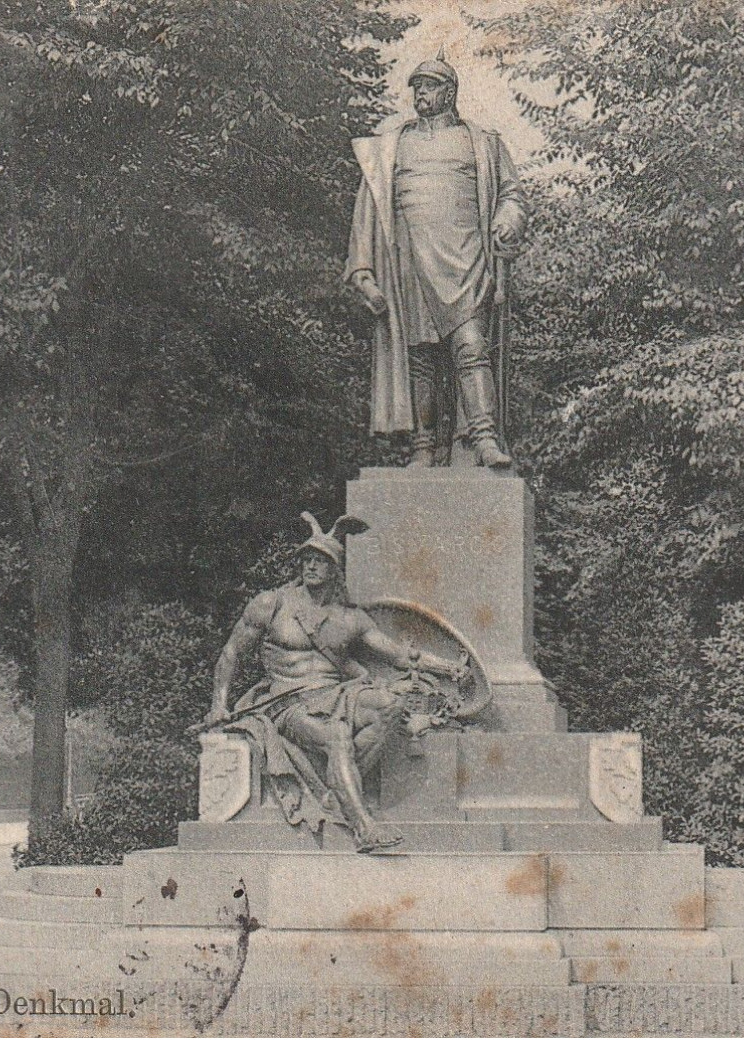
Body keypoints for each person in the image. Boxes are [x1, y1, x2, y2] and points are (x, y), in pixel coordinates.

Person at [204, 512, 464, 852]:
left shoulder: (349, 618)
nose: (311, 566)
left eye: (320, 561)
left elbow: (400, 656)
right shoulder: (273, 603)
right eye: (306, 559)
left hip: (336, 693)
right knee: (338, 734)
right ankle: (363, 826)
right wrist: (218, 704)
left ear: (334, 570)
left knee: (390, 705)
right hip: (288, 700)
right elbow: (231, 653)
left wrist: (450, 669)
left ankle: (337, 782)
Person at [345, 53, 530, 469]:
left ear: (450, 92)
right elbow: (368, 211)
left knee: (472, 348)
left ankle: (484, 439)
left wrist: (506, 220)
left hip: (467, 261)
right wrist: (364, 273)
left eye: (428, 86)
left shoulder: (482, 141)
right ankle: (423, 448)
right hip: (410, 264)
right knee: (421, 359)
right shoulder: (392, 146)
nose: (420, 95)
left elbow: (513, 196)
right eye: (416, 88)